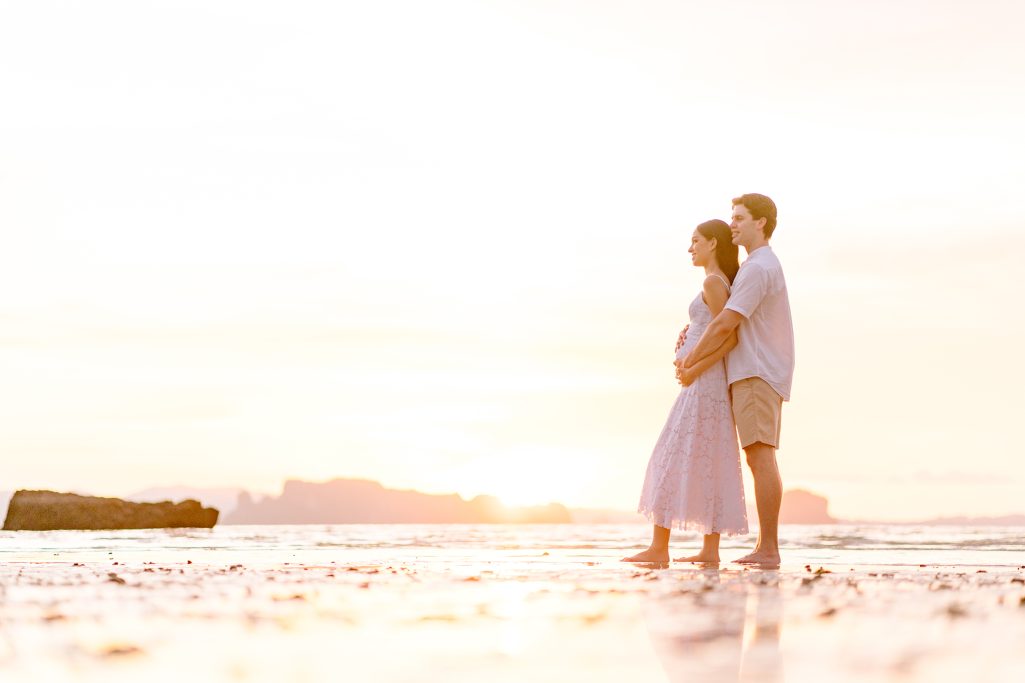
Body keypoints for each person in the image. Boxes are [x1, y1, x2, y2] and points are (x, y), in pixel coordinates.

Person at [623, 219, 749, 565]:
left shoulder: (712, 281)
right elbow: (711, 328)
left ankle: (659, 549)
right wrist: (689, 336)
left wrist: (691, 366)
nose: (690, 247)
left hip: (703, 384)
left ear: (712, 243)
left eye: (695, 241)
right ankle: (708, 551)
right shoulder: (715, 283)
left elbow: (730, 336)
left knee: (671, 455)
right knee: (707, 458)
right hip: (704, 382)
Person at [678, 194, 794, 566]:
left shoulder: (759, 267)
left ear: (760, 223)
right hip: (751, 372)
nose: (733, 224)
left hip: (757, 372)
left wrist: (692, 361)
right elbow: (718, 316)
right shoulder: (752, 268)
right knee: (756, 457)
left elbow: (728, 321)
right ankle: (765, 546)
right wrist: (693, 332)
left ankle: (768, 549)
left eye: (740, 218)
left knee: (761, 457)